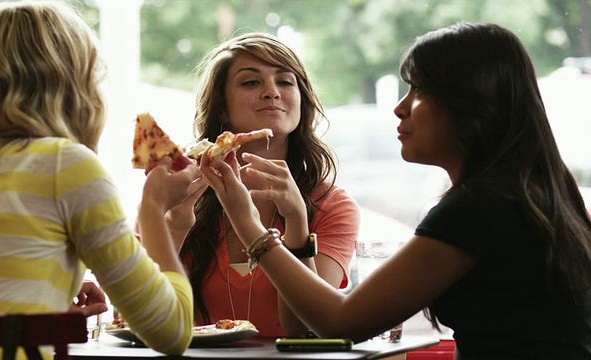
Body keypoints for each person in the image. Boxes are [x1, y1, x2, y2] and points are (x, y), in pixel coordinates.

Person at [199, 22, 591, 359]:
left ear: (470, 104)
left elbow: (342, 321)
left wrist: (252, 229)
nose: (399, 108)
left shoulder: (478, 209)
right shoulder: (528, 194)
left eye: (418, 90)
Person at [0, 1, 202, 358]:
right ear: (75, 86)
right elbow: (172, 331)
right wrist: (154, 207)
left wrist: (40, 304)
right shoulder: (65, 166)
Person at [177, 32, 360, 337]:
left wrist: (297, 222)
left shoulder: (333, 207)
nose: (272, 92)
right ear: (221, 108)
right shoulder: (180, 195)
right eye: (251, 82)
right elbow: (134, 318)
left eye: (286, 81)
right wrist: (170, 219)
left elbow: (305, 331)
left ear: (301, 101)